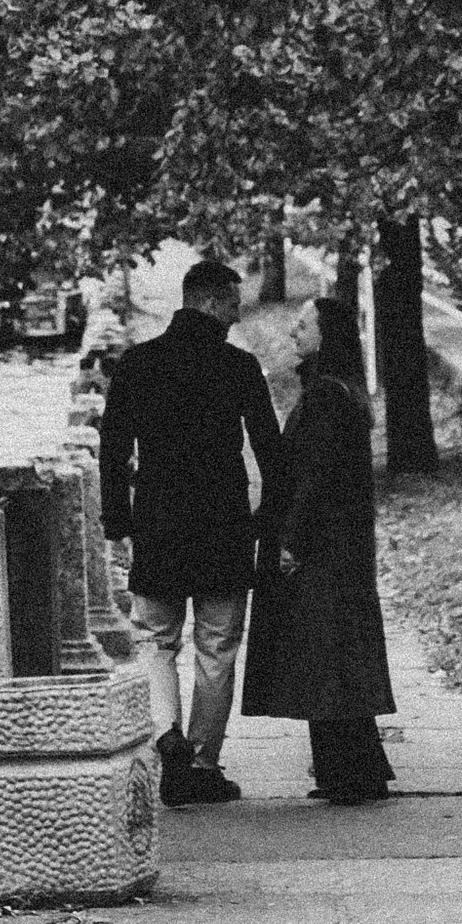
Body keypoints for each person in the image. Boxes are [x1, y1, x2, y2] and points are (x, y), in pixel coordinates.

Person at [97, 255, 285, 808]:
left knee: (154, 639)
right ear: (209, 301)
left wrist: (117, 519)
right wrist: (269, 519)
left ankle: (166, 736)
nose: (238, 315)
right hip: (224, 524)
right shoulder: (239, 367)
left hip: (158, 521)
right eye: (232, 304)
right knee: (216, 646)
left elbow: (113, 448)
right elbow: (269, 450)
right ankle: (202, 762)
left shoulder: (138, 363)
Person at [242, 294, 397, 804]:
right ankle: (352, 770)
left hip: (324, 548)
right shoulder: (336, 390)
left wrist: (292, 540)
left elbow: (314, 476)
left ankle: (348, 774)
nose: (293, 332)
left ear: (327, 336)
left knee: (325, 657)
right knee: (336, 656)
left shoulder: (326, 396)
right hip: (339, 545)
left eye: (304, 325)